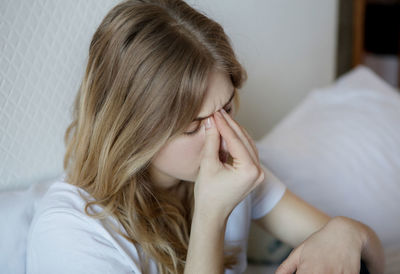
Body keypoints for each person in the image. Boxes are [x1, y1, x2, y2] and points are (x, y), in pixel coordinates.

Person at [26, 0, 385, 273]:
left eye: (227, 109)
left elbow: (370, 256)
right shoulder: (70, 232)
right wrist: (211, 214)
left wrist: (347, 231)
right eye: (192, 127)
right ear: (130, 131)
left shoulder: (229, 168)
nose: (222, 138)